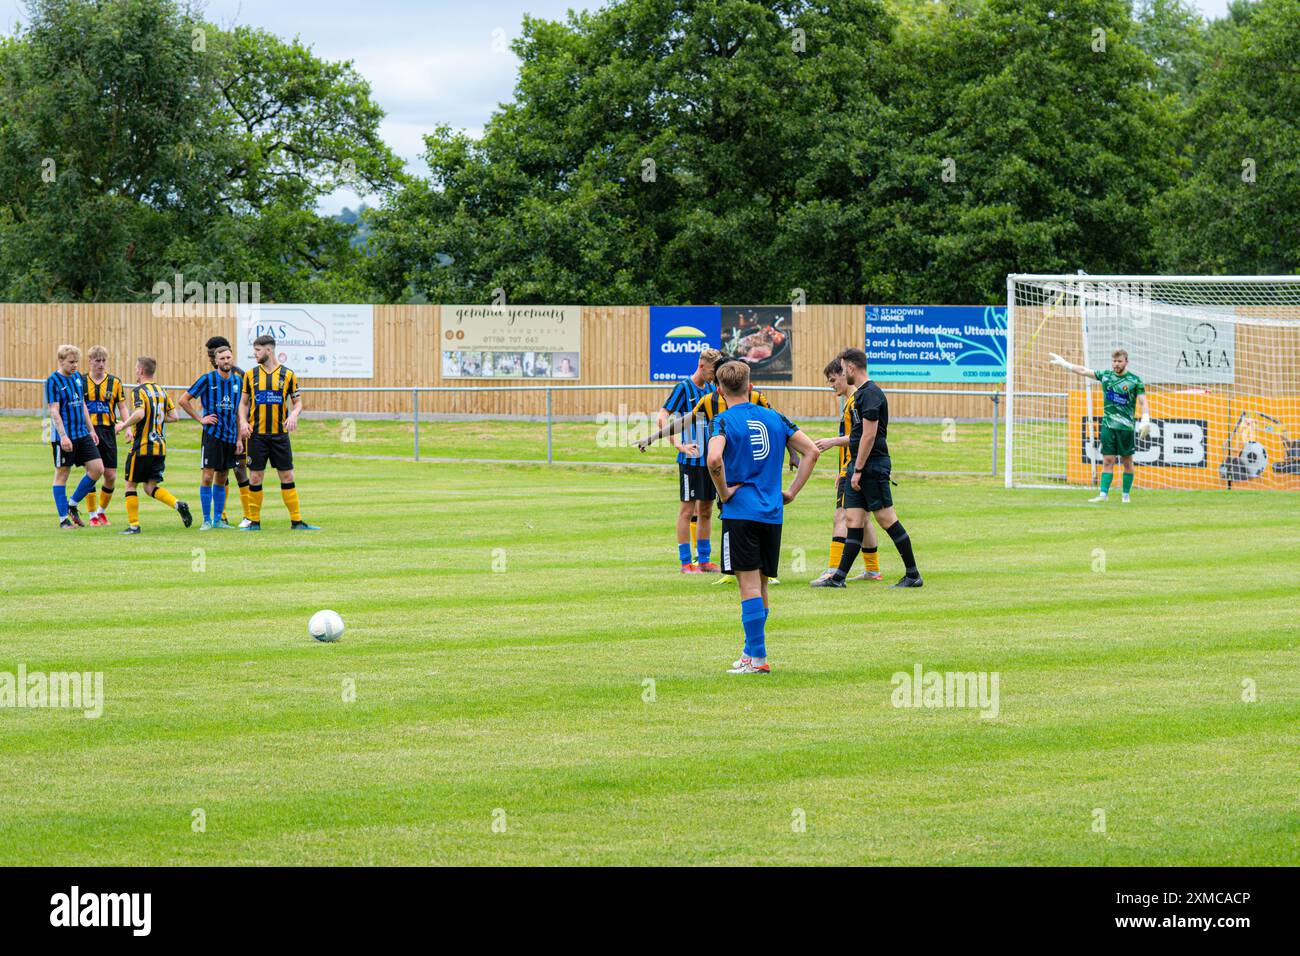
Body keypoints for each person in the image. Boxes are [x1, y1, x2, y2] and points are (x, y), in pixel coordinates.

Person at [706, 360, 820, 674]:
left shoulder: (722, 421)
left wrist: (724, 491)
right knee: (763, 585)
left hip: (740, 512)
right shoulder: (775, 417)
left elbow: (714, 458)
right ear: (751, 386)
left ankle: (758, 660)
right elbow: (812, 451)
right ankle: (749, 652)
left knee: (748, 587)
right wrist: (792, 492)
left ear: (719, 390)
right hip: (772, 513)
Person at [811, 348, 922, 588]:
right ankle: (838, 577)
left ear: (851, 367)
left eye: (842, 368)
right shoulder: (859, 395)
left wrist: (858, 469)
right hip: (856, 465)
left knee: (885, 518)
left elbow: (869, 436)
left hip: (871, 466)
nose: (841, 373)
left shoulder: (871, 394)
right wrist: (850, 468)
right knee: (853, 519)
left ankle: (913, 574)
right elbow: (858, 436)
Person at [238, 334, 319, 531]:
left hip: (280, 436)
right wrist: (242, 421)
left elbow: (298, 402)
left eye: (257, 350)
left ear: (269, 350)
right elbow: (243, 402)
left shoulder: (288, 375)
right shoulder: (250, 375)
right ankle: (254, 522)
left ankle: (297, 521)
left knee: (287, 476)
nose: (255, 354)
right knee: (255, 477)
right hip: (257, 435)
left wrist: (294, 415)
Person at [811, 357, 882, 584]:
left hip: (858, 469)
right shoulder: (852, 401)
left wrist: (832, 442)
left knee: (841, 516)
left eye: (833, 379)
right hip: (852, 468)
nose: (831, 385)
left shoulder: (856, 401)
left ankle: (833, 570)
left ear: (844, 374)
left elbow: (862, 436)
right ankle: (872, 570)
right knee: (864, 520)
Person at [650, 348, 720, 572]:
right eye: (712, 371)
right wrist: (677, 444)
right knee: (687, 510)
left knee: (706, 510)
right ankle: (685, 562)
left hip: (709, 461)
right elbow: (662, 416)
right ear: (702, 366)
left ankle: (704, 560)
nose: (714, 376)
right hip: (690, 461)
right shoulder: (683, 388)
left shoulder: (711, 389)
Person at [1049, 348, 1150, 503]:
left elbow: (1142, 400)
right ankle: (1103, 494)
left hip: (1126, 428)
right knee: (1108, 460)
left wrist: (1146, 418)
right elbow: (1083, 370)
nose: (1116, 364)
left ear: (1126, 362)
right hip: (1108, 426)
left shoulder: (1134, 380)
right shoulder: (1106, 376)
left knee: (1127, 462)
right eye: (1114, 361)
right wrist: (1065, 364)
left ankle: (1125, 496)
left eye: (1119, 361)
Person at [115, 356, 192, 534]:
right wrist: (155, 417)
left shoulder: (138, 391)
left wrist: (123, 425)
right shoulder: (161, 391)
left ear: (141, 371)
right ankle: (177, 504)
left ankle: (134, 525)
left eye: (136, 369)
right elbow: (174, 417)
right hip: (160, 447)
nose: (135, 371)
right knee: (149, 488)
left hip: (142, 446)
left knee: (130, 485)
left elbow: (140, 414)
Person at [179, 342, 244, 530]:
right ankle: (206, 520)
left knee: (222, 478)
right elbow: (183, 400)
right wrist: (200, 419)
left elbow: (240, 413)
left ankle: (217, 520)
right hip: (212, 436)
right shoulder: (207, 380)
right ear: (215, 361)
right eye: (222, 358)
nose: (226, 361)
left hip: (231, 437)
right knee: (207, 476)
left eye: (228, 358)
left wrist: (239, 438)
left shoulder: (238, 382)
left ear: (232, 359)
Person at [44, 345, 103, 529]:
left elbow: (83, 405)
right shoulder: (53, 381)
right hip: (65, 437)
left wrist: (91, 430)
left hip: (82, 434)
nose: (75, 365)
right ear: (61, 361)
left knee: (97, 469)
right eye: (71, 362)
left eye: (77, 361)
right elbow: (54, 410)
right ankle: (63, 520)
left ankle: (72, 503)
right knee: (62, 474)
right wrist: (63, 436)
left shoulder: (77, 377)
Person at [203, 336, 254, 526]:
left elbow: (245, 406)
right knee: (221, 473)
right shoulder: (215, 375)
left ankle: (249, 515)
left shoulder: (239, 376)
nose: (210, 356)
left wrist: (242, 429)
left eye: (212, 352)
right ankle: (221, 515)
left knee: (240, 470)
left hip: (240, 430)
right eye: (209, 353)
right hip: (220, 433)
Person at [81, 346, 130, 526]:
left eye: (103, 361)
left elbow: (122, 407)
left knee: (110, 475)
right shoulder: (81, 381)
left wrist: (127, 426)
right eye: (97, 360)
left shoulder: (115, 382)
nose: (101, 364)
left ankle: (101, 512)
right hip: (88, 431)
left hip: (108, 431)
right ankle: (92, 514)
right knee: (93, 472)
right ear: (90, 361)